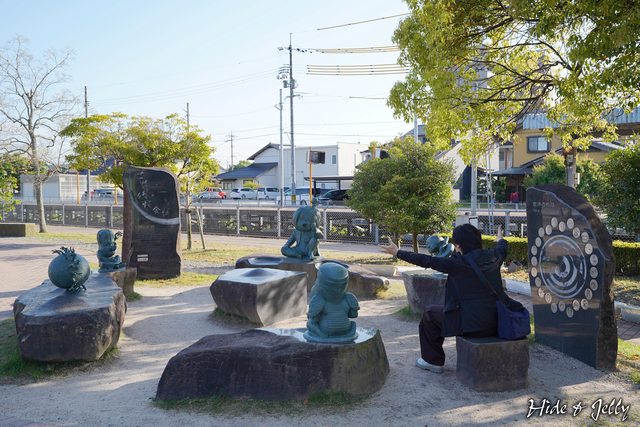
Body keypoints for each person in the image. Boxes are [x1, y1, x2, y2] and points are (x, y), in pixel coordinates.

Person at [380, 224, 507, 373]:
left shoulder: (457, 263)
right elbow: (502, 248)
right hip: (497, 320)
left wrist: (398, 252)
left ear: (458, 245)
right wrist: (500, 239)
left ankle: (432, 361)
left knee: (430, 314)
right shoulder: (494, 256)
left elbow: (426, 260)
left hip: (472, 325)